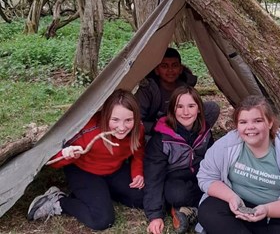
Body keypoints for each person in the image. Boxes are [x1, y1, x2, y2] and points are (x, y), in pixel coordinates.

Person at [27, 89, 145, 231]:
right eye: (115, 120)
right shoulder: (89, 129)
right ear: (106, 115)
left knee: (143, 199)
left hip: (114, 170)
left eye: (128, 120)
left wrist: (137, 172)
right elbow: (52, 161)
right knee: (102, 220)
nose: (121, 127)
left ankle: (100, 195)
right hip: (85, 171)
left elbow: (138, 150)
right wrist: (67, 153)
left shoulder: (138, 129)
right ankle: (58, 201)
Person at [197, 95, 280, 234]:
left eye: (257, 121)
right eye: (243, 122)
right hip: (237, 210)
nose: (250, 127)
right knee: (208, 210)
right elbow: (207, 177)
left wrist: (267, 210)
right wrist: (231, 197)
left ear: (270, 122)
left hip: (274, 214)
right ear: (237, 125)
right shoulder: (226, 145)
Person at [144, 86, 213, 234]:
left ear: (199, 109)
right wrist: (155, 215)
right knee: (176, 194)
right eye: (179, 107)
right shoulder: (161, 139)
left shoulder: (204, 130)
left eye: (191, 106)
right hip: (174, 177)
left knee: (216, 187)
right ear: (172, 110)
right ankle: (186, 207)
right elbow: (153, 177)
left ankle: (187, 211)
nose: (186, 112)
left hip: (199, 173)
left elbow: (213, 160)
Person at [135, 47, 220, 139]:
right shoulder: (148, 89)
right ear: (157, 70)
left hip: (183, 125)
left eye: (174, 66)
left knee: (212, 108)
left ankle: (192, 140)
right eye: (164, 66)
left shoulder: (185, 86)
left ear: (180, 69)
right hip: (157, 132)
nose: (170, 70)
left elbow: (195, 108)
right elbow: (136, 120)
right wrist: (159, 127)